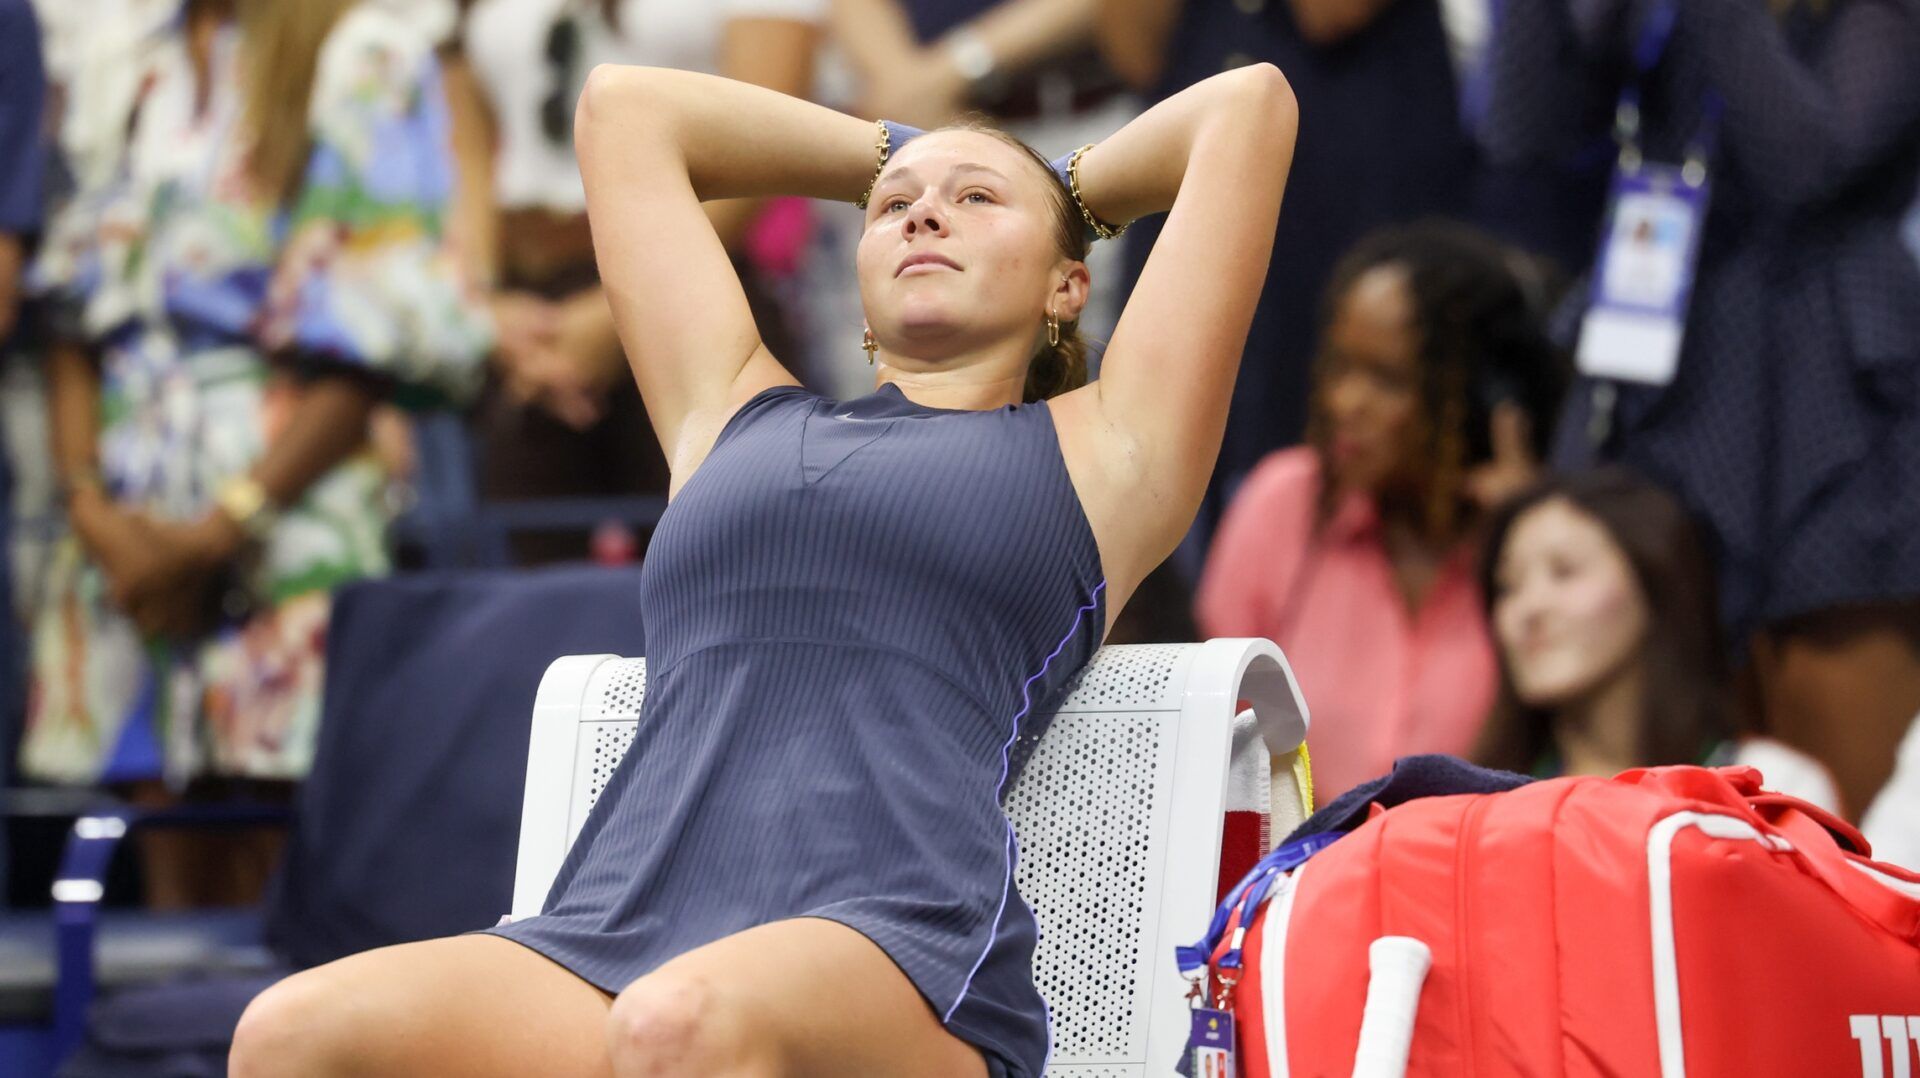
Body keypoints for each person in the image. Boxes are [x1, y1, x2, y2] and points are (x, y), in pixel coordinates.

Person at [230, 57, 1299, 1077]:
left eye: (975, 204)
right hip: (621, 932)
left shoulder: (1109, 453)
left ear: (1069, 286)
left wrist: (1059, 185)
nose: (925, 213)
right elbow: (625, 113)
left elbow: (1245, 110)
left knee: (679, 1025)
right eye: (896, 207)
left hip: (896, 945)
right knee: (288, 1034)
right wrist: (913, 156)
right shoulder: (729, 413)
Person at [20, 0, 489, 885]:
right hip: (125, 525)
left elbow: (374, 331)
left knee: (284, 881)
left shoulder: (367, 50)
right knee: (152, 845)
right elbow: (69, 314)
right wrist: (91, 507)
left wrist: (220, 529)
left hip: (288, 518)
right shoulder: (126, 56)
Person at [1483, 0, 1920, 817]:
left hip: (1830, 409)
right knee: (1624, 764)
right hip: (1655, 373)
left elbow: (1809, 162)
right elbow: (1521, 131)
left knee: (1835, 809)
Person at [1195, 221, 1566, 801]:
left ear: (1476, 397)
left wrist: (1524, 535)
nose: (1346, 402)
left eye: (1388, 380)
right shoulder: (1283, 503)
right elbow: (1207, 740)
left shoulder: (1542, 555)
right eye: (1340, 366)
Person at [454, 0, 824, 564]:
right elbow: (464, 152)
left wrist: (615, 316)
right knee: (528, 594)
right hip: (531, 317)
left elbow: (773, 134)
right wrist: (483, 304)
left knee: (722, 566)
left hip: (699, 293)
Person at [1098, 0, 1473, 555]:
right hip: (1196, 119)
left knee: (1309, 439)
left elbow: (1329, 15)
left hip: (1347, 135)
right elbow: (1133, 50)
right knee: (1154, 445)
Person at [1476, 469, 1840, 812]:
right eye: (1508, 586)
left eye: (1565, 571)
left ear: (1653, 585)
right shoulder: (1479, 803)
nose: (1529, 607)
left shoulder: (1773, 791)